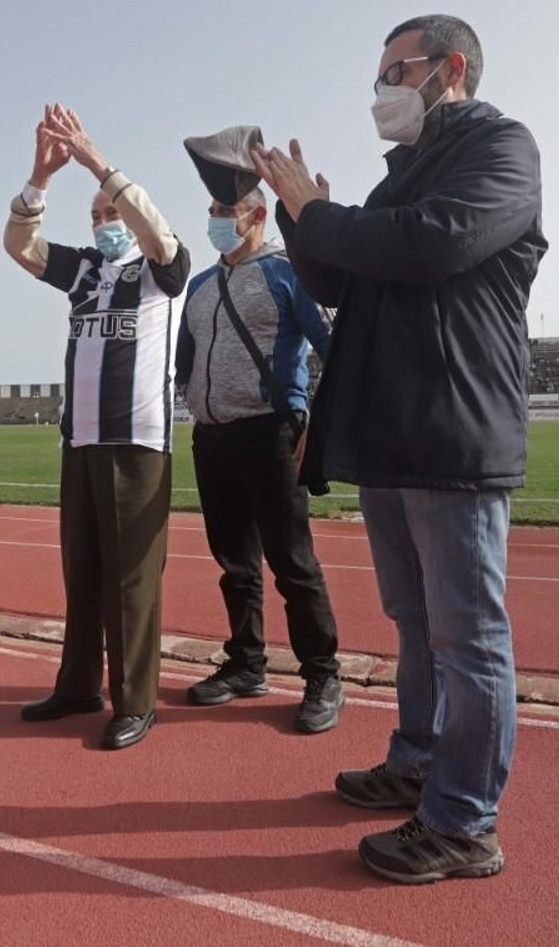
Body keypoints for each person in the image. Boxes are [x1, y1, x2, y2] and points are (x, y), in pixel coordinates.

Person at [252, 14, 546, 884]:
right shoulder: (401, 175)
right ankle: (416, 762)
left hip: (454, 426)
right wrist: (297, 216)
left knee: (468, 635)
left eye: (395, 70)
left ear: (449, 68)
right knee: (417, 625)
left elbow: (431, 245)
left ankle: (462, 822)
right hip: (393, 430)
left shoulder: (502, 149)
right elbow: (341, 278)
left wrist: (322, 213)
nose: (382, 89)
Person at [4, 104, 190, 751]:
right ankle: (79, 683)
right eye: (96, 218)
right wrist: (40, 179)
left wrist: (96, 163)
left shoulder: (163, 271)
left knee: (130, 577)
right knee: (81, 571)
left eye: (112, 216)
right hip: (79, 441)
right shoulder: (84, 271)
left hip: (136, 445)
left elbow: (155, 230)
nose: (105, 223)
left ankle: (135, 701)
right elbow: (19, 247)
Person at [175, 125, 344, 733]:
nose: (219, 219)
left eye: (229, 210)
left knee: (292, 563)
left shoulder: (287, 273)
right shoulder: (197, 286)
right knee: (235, 564)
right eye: (213, 210)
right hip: (212, 438)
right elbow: (186, 362)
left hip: (270, 434)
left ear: (258, 214)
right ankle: (246, 663)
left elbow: (335, 346)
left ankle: (322, 673)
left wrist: (314, 422)